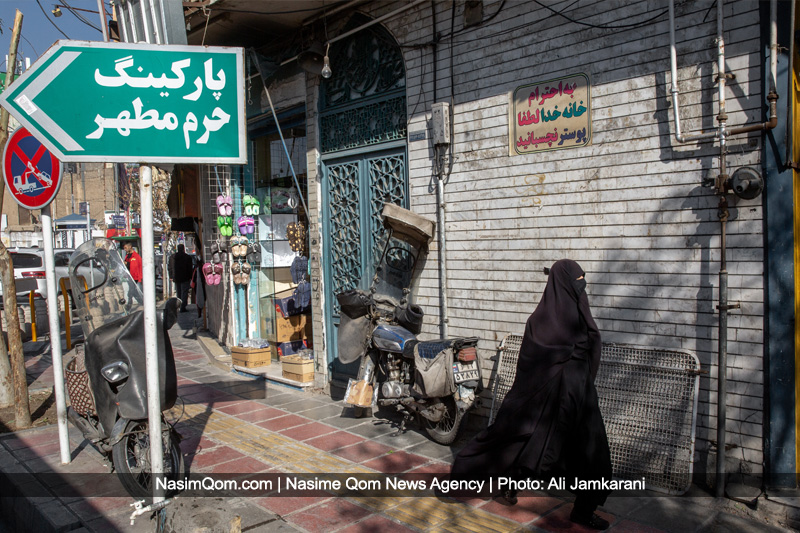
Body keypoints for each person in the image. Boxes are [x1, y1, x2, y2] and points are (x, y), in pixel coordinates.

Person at [450, 259, 612, 530]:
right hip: (544, 402)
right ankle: (508, 486)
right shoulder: (539, 322)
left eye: (583, 280)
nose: (581, 286)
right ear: (563, 283)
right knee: (528, 445)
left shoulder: (579, 318)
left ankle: (583, 510)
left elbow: (590, 354)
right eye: (577, 280)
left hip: (578, 401)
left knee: (589, 455)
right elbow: (529, 364)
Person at [170, 244, 194, 312]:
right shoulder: (187, 257)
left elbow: (170, 267)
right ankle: (183, 307)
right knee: (184, 293)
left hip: (177, 278)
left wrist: (171, 276)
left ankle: (178, 306)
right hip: (185, 277)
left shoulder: (172, 257)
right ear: (183, 249)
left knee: (179, 292)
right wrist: (190, 277)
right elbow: (190, 268)